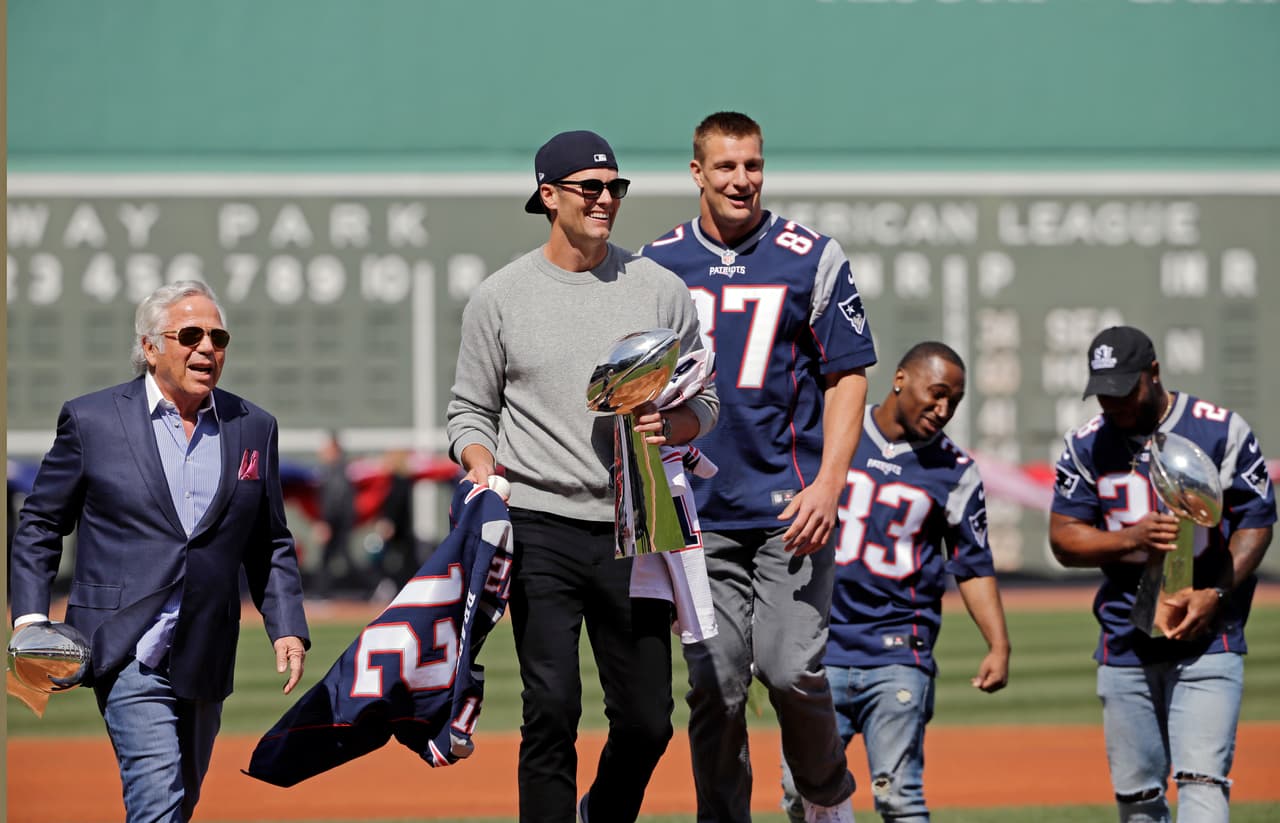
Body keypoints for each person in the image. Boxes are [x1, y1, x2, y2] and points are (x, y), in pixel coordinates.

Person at [446, 129, 719, 823]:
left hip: (639, 522)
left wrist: (675, 426)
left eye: (615, 188)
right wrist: (482, 469)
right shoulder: (500, 297)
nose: (606, 199)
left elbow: (705, 400)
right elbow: (470, 412)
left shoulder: (658, 289)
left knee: (648, 719)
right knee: (552, 709)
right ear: (548, 195)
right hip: (538, 525)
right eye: (590, 187)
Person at [641, 111, 876, 823]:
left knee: (790, 667)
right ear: (696, 173)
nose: (742, 180)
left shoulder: (812, 256)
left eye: (752, 166)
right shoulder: (656, 263)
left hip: (789, 509)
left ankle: (824, 795)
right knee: (715, 685)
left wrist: (830, 484)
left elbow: (851, 374)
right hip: (694, 513)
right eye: (726, 167)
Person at [9, 280, 310, 822]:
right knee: (157, 800)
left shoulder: (254, 427)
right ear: (150, 348)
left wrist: (285, 624)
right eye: (190, 335)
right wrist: (30, 619)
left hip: (206, 648)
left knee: (180, 801)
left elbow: (269, 541)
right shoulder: (92, 420)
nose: (206, 348)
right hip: (124, 644)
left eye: (218, 337)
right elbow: (41, 522)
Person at [1049, 325, 1275, 822]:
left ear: (1153, 374)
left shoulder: (1219, 428)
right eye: (1104, 393)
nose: (1114, 404)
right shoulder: (1086, 444)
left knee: (1203, 781)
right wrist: (1131, 538)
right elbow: (1064, 538)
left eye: (1124, 390)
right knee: (1137, 798)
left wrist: (1216, 592)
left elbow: (1257, 521)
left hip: (1209, 635)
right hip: (1126, 635)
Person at [780, 342, 1011, 823]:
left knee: (898, 796)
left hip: (897, 649)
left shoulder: (956, 471)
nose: (943, 409)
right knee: (801, 798)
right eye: (937, 393)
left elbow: (972, 563)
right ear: (900, 378)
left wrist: (998, 644)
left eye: (954, 401)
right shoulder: (832, 429)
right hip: (817, 647)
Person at [312, 430, 355, 597]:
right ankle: (321, 593)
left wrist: (326, 522)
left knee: (341, 558)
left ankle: (377, 586)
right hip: (338, 521)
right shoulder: (335, 470)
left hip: (336, 522)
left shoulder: (336, 472)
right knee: (329, 558)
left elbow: (334, 501)